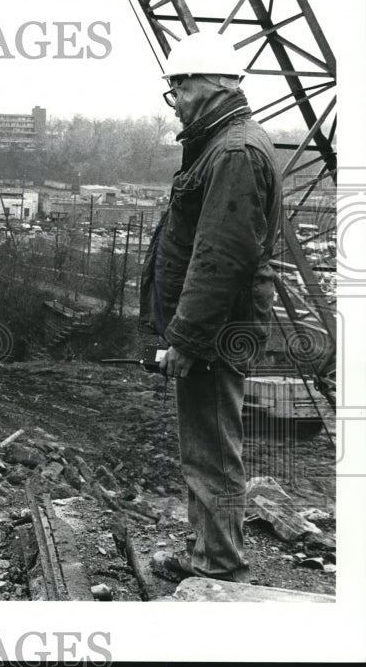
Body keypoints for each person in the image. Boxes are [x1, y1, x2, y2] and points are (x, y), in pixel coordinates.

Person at [139, 31, 282, 584]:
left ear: (222, 82)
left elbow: (220, 258)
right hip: (214, 329)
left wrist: (187, 339)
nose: (174, 95)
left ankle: (220, 567)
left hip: (216, 332)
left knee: (212, 451)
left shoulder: (234, 152)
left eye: (182, 82)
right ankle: (209, 553)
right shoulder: (220, 144)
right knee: (203, 446)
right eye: (171, 85)